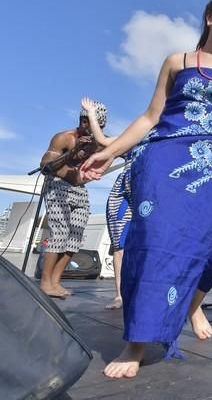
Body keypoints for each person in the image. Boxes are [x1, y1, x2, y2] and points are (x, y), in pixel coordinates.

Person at [80, 0, 212, 378]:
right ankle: (138, 342)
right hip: (164, 161)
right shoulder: (176, 62)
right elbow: (149, 117)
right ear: (210, 17)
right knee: (155, 241)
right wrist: (110, 152)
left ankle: (193, 305)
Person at [38, 103, 103, 298]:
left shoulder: (97, 142)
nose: (95, 129)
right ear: (84, 121)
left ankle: (55, 282)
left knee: (75, 236)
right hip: (57, 185)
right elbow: (44, 166)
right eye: (92, 123)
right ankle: (45, 282)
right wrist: (71, 154)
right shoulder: (63, 138)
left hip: (78, 188)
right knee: (60, 232)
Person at [80, 96, 131, 310]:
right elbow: (103, 141)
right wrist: (91, 115)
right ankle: (120, 295)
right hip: (124, 197)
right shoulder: (138, 141)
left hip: (150, 200)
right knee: (120, 246)